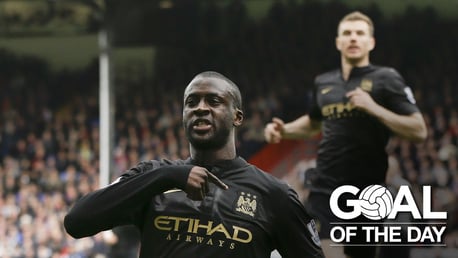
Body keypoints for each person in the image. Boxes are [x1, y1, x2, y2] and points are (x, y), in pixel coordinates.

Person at [64, 71, 324, 258]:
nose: (200, 108)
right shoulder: (152, 178)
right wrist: (167, 176)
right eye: (192, 102)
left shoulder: (273, 194)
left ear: (238, 117)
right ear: (183, 115)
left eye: (214, 101)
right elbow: (77, 222)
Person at [264, 11, 427, 258]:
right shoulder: (324, 82)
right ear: (338, 41)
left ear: (371, 42)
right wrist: (285, 130)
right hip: (326, 189)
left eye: (360, 33)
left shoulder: (387, 79)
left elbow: (418, 130)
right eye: (347, 33)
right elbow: (314, 122)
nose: (353, 38)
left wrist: (374, 108)